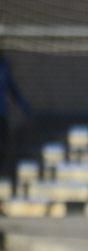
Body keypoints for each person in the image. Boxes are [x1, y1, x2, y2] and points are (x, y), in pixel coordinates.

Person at [0, 53, 31, 182]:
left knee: (3, 148)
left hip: (2, 115)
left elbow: (13, 90)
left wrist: (26, 110)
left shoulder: (3, 67)